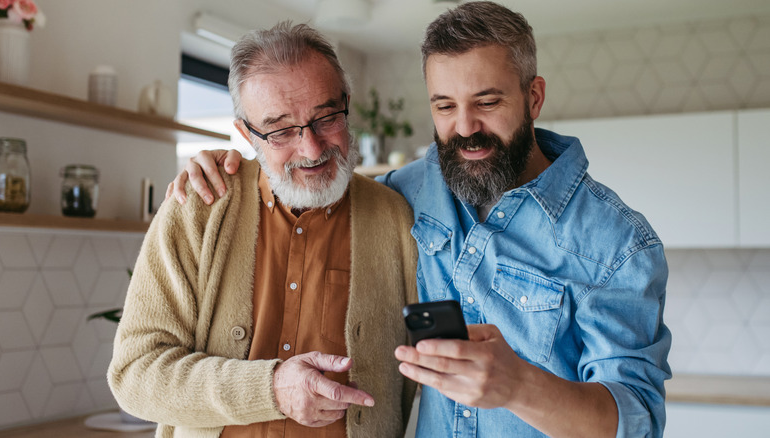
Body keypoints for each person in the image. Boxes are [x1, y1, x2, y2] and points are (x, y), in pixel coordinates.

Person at [170, 2, 672, 437]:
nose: (466, 128)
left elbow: (638, 421)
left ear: (534, 97)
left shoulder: (616, 241)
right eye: (445, 106)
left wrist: (521, 386)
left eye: (488, 102)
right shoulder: (403, 195)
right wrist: (230, 165)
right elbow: (308, 174)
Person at [108, 22, 419, 438]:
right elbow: (134, 374)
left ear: (347, 105)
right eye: (280, 130)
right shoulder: (198, 209)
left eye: (326, 117)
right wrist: (271, 389)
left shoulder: (397, 219)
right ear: (246, 134)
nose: (311, 148)